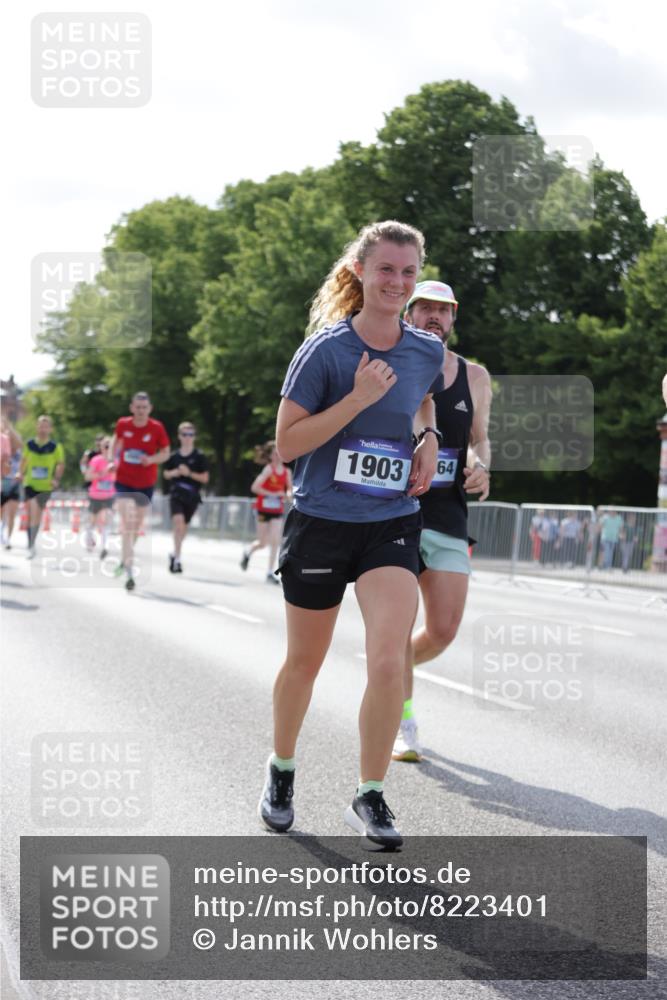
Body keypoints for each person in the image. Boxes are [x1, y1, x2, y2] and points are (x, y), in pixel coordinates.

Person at [257, 220, 444, 849]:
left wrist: (428, 438)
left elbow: (421, 399)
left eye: (407, 271)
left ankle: (369, 794)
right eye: (386, 269)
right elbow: (288, 445)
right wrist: (358, 400)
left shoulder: (426, 350)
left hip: (390, 521)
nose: (397, 282)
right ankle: (281, 770)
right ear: (360, 273)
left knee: (389, 657)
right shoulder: (325, 352)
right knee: (305, 662)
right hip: (321, 522)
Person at [392, 280, 492, 763]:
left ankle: (391, 667)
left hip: (449, 511)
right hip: (395, 511)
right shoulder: (388, 361)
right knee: (398, 625)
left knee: (444, 630)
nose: (433, 316)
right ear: (409, 314)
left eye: (442, 310)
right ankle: (402, 719)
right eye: (425, 308)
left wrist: (481, 464)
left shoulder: (474, 376)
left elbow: (480, 439)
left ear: (454, 318)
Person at [109, 392, 170, 590]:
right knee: (127, 524)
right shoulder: (123, 424)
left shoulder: (156, 428)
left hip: (145, 483)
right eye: (138, 407)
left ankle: (124, 557)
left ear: (150, 409)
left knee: (135, 527)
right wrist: (112, 460)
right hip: (124, 481)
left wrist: (151, 460)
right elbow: (115, 443)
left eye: (144, 407)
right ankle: (129, 571)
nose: (141, 410)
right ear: (132, 408)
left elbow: (166, 453)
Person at [241, 441, 293, 584]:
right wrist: (273, 493)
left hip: (276, 510)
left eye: (279, 453)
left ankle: (270, 572)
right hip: (263, 509)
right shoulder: (268, 470)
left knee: (275, 540)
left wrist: (287, 494)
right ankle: (248, 552)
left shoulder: (287, 472)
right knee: (262, 542)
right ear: (270, 456)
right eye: (274, 454)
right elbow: (255, 488)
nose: (277, 456)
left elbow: (288, 489)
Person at [162, 421, 210, 573]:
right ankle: (177, 559)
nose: (187, 437)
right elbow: (165, 474)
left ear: (194, 437)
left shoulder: (200, 456)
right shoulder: (173, 456)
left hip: (192, 496)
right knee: (178, 522)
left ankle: (174, 552)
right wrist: (175, 473)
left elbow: (205, 478)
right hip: (176, 494)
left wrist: (189, 473)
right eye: (184, 434)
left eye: (190, 434)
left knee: (183, 528)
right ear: (179, 436)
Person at [19, 415, 64, 559]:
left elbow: (60, 464)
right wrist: (20, 473)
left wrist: (56, 479)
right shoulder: (29, 444)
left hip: (45, 486)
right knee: (32, 512)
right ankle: (30, 544)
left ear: (50, 429)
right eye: (40, 425)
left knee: (36, 516)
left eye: (46, 426)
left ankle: (32, 542)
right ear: (37, 427)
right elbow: (24, 461)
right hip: (30, 484)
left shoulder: (55, 447)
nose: (43, 429)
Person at [84, 437, 116, 559]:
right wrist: (100, 474)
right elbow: (87, 476)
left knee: (106, 520)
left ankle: (104, 547)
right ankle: (89, 539)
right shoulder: (96, 460)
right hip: (96, 495)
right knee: (93, 520)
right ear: (101, 448)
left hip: (110, 495)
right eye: (105, 446)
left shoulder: (116, 462)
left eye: (110, 446)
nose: (108, 448)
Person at [1, 418, 22, 548]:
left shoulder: (17, 450)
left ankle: (8, 538)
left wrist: (9, 427)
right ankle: (2, 534)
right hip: (3, 481)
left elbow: (19, 442)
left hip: (14, 482)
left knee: (12, 513)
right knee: (1, 511)